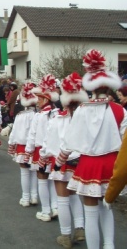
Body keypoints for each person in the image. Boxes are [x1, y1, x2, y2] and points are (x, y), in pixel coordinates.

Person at [61, 49, 127, 249]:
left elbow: (70, 140)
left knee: (91, 213)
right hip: (112, 164)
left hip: (88, 164)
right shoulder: (120, 110)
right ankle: (109, 246)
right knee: (107, 209)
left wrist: (60, 159)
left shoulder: (81, 110)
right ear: (109, 88)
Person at [42, 72, 88, 247]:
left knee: (62, 199)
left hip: (61, 161)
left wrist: (44, 158)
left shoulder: (57, 120)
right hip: (80, 161)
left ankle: (66, 236)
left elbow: (49, 142)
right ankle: (80, 228)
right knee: (75, 196)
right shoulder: (85, 117)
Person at [26, 74, 59, 222]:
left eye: (39, 98)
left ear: (45, 99)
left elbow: (32, 135)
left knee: (42, 180)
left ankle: (46, 211)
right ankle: (55, 207)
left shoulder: (39, 116)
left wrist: (28, 151)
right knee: (52, 180)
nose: (37, 101)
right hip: (55, 151)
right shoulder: (58, 113)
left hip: (41, 151)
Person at [8, 82, 38, 207]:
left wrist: (11, 144)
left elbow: (14, 132)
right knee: (34, 171)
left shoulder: (20, 116)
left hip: (22, 146)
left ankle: (25, 197)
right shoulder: (37, 115)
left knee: (24, 172)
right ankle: (34, 195)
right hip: (35, 147)